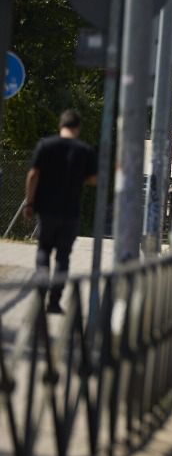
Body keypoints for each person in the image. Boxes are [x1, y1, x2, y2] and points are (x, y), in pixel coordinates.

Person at [24, 110, 98, 312]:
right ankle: (54, 302)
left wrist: (29, 203)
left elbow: (33, 175)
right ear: (78, 128)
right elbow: (93, 180)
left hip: (46, 210)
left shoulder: (45, 146)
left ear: (61, 125)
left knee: (43, 249)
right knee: (63, 257)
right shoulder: (85, 151)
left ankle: (40, 290)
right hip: (70, 212)